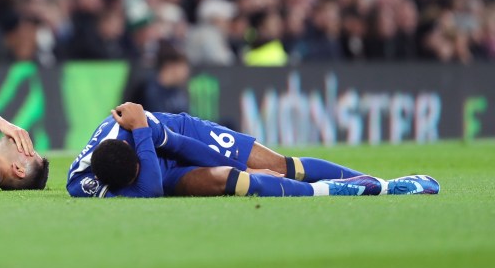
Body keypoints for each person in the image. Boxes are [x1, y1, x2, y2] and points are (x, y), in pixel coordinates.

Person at [66, 102, 438, 199]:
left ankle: (385, 182)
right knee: (232, 182)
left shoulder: (140, 124)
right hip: (153, 160)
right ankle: (345, 190)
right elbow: (150, 188)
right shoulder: (84, 182)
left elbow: (186, 149)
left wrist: (144, 133)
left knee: (279, 165)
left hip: (179, 134)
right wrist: (242, 176)